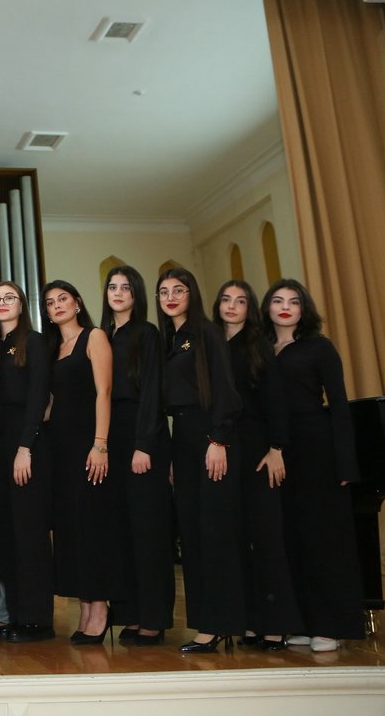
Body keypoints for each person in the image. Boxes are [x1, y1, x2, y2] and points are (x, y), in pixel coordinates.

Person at [264, 278, 363, 652]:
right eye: (278, 300)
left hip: (315, 449)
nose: (285, 307)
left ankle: (330, 625)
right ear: (268, 308)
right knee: (290, 539)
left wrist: (345, 463)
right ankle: (302, 621)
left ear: (303, 309)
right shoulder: (261, 349)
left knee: (323, 538)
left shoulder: (319, 347)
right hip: (275, 452)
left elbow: (338, 405)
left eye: (294, 301)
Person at [156, 267, 243, 653]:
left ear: (191, 294)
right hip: (184, 438)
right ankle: (206, 623)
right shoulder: (171, 340)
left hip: (210, 435)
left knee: (214, 533)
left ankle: (219, 624)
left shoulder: (206, 332)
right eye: (164, 292)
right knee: (191, 534)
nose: (171, 297)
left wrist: (218, 439)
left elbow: (225, 389)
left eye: (178, 290)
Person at [212, 279, 301, 652]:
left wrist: (276, 447)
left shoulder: (258, 344)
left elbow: (275, 399)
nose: (232, 306)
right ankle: (249, 622)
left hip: (258, 450)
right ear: (217, 305)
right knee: (235, 538)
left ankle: (275, 626)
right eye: (226, 299)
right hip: (222, 450)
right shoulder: (211, 344)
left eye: (240, 301)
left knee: (266, 538)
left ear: (249, 309)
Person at [41, 279, 118, 645]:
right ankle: (85, 608)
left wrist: (100, 444)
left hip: (88, 444)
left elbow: (104, 392)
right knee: (70, 528)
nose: (57, 305)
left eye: (63, 299)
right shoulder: (54, 348)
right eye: (50, 302)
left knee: (92, 526)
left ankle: (100, 607)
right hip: (59, 447)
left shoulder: (94, 336)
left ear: (77, 303)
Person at [101, 266, 174, 646]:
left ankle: (153, 618)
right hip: (110, 435)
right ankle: (129, 614)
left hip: (141, 433)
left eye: (125, 287)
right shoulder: (103, 334)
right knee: (120, 531)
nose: (117, 293)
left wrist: (144, 444)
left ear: (137, 294)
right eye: (112, 287)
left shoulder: (147, 333)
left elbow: (152, 392)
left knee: (148, 531)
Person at [0, 281, 54, 642]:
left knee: (28, 533)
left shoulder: (34, 341)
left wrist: (25, 446)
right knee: (5, 534)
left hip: (26, 442)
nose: (2, 303)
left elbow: (38, 395)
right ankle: (14, 615)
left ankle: (37, 620)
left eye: (9, 298)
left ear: (21, 304)